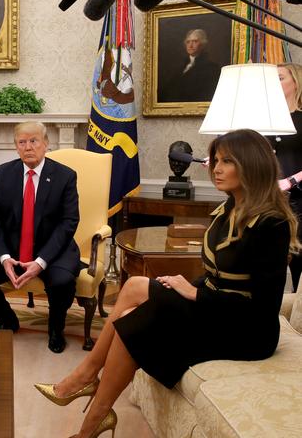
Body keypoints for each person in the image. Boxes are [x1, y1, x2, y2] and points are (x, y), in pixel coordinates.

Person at [35, 129, 297, 438]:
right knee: (134, 292)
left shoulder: (271, 224)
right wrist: (188, 287)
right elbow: (215, 276)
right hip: (217, 310)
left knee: (135, 323)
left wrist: (194, 295)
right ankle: (89, 389)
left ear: (252, 164)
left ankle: (88, 405)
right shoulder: (228, 209)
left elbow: (264, 308)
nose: (216, 168)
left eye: (227, 161)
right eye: (215, 160)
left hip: (247, 331)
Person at [0, 121, 80, 354]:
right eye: (22, 142)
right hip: (12, 248)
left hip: (53, 251)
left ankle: (56, 329)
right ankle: (7, 316)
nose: (28, 147)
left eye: (34, 141)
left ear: (46, 144)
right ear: (16, 147)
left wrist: (41, 262)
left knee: (63, 282)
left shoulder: (65, 176)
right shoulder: (3, 173)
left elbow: (68, 222)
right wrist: (5, 257)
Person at [272, 63, 302, 292]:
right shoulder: (267, 120)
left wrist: (291, 181)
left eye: (280, 77)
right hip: (271, 203)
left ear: (296, 82)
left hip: (300, 203)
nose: (274, 82)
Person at [160, 29, 221, 103]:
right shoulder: (180, 67)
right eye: (188, 42)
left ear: (202, 44)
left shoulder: (212, 68)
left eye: (195, 41)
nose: (190, 45)